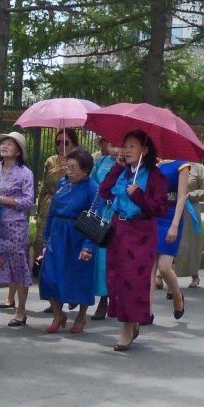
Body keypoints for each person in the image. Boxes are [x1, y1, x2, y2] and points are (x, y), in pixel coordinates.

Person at [97, 131, 169, 351]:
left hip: (141, 233)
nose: (126, 151)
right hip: (118, 229)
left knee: (133, 279)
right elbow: (104, 192)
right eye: (125, 146)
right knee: (117, 278)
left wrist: (138, 195)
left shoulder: (155, 176)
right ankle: (131, 319)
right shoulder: (122, 171)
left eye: (132, 147)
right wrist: (117, 168)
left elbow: (160, 208)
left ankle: (127, 328)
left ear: (144, 150)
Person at [39, 148, 99, 333]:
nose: (68, 170)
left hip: (79, 235)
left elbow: (95, 218)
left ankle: (81, 316)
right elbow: (52, 211)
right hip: (58, 233)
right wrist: (46, 236)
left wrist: (88, 246)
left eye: (73, 167)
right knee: (49, 276)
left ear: (85, 170)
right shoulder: (62, 183)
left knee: (80, 277)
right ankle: (58, 314)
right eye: (67, 166)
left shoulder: (92, 188)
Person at [0, 131, 34, 326]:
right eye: (3, 142)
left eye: (10, 143)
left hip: (16, 225)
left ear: (18, 151)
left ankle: (21, 310)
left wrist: (4, 200)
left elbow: (28, 201)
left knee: (19, 267)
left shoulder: (25, 173)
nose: (5, 146)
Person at [153, 157, 193, 320]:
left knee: (164, 267)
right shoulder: (152, 163)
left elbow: (182, 197)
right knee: (150, 269)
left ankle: (177, 295)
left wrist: (175, 225)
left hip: (171, 217)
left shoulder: (182, 165)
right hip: (153, 216)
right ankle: (146, 312)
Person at [33, 128, 78, 266]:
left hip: (67, 207)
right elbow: (44, 187)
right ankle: (41, 269)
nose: (61, 146)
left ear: (74, 144)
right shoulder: (51, 161)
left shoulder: (78, 162)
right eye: (58, 142)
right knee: (42, 242)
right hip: (48, 205)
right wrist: (39, 211)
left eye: (65, 143)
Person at [90, 137, 120, 319]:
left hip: (119, 214)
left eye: (119, 145)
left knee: (116, 258)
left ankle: (115, 297)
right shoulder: (101, 163)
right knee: (100, 258)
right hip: (101, 213)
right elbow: (93, 185)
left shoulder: (129, 166)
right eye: (111, 144)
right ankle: (103, 298)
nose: (115, 149)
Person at [174, 160, 204, 289]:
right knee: (167, 239)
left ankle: (194, 273)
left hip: (189, 209)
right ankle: (160, 274)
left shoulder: (198, 167)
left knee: (190, 242)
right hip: (170, 206)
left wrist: (191, 195)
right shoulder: (169, 163)